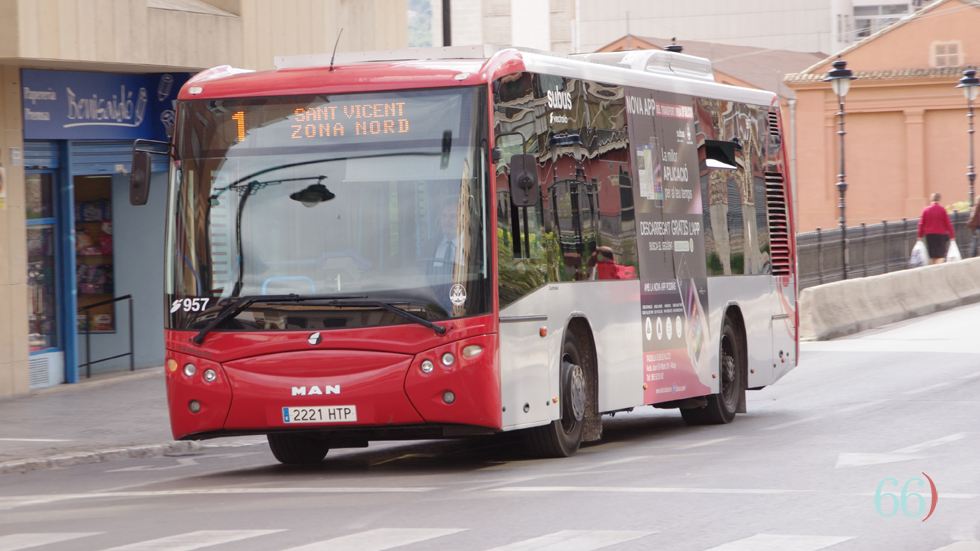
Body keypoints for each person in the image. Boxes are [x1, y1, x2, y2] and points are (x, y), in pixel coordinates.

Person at [917, 192, 954, 265]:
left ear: (931, 199)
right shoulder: (942, 210)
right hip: (941, 234)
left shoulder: (925, 210)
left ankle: (933, 269)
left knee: (932, 255)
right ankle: (937, 269)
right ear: (939, 199)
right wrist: (952, 236)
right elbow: (948, 224)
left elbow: (921, 224)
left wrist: (919, 236)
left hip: (929, 235)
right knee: (941, 255)